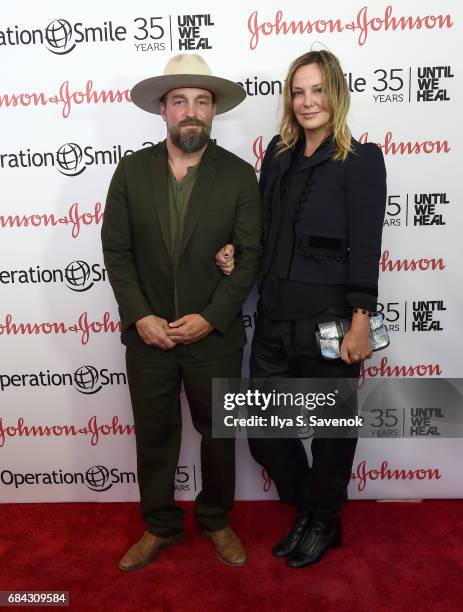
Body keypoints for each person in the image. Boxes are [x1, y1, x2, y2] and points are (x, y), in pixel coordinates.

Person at [217, 50, 386, 568]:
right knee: (265, 431)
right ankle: (310, 506)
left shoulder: (361, 159)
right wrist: (238, 255)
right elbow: (267, 231)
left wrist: (361, 322)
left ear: (336, 93)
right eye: (298, 91)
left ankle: (322, 518)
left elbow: (365, 243)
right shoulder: (279, 153)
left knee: (334, 434)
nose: (307, 101)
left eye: (317, 90)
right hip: (273, 317)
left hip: (332, 321)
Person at [101, 53, 261, 571]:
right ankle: (160, 524)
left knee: (218, 436)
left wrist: (211, 317)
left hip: (214, 338)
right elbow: (116, 252)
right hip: (147, 339)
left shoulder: (239, 176)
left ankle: (216, 519)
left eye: (201, 101)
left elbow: (250, 257)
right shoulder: (130, 171)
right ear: (163, 110)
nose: (191, 111)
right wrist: (141, 316)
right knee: (154, 434)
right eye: (180, 101)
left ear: (213, 111)